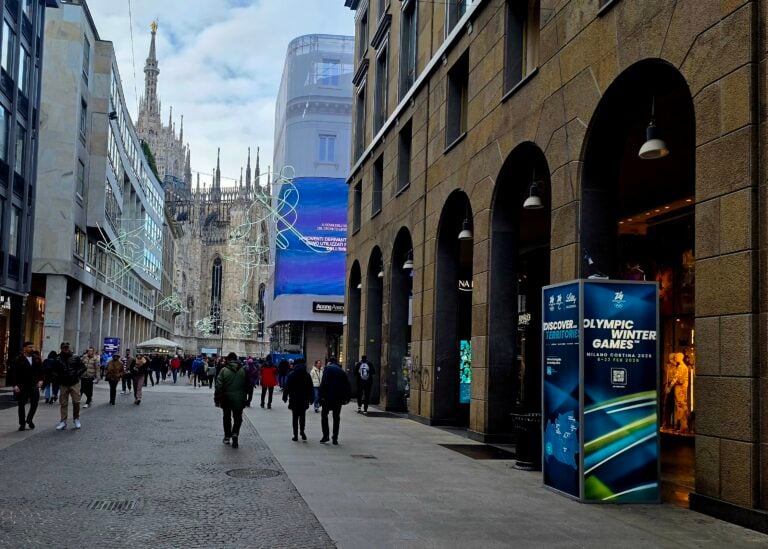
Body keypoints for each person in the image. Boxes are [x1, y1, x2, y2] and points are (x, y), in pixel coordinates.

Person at [7, 341, 43, 431]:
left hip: (33, 385)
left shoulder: (36, 358)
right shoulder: (18, 359)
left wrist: (41, 380)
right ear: (24, 348)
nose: (32, 349)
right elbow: (13, 373)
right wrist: (15, 385)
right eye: (30, 347)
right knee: (21, 405)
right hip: (22, 385)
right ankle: (22, 423)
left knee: (35, 403)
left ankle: (29, 419)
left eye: (32, 347)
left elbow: (41, 371)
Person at [214, 352, 248, 448]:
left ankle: (227, 436)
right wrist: (245, 398)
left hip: (226, 398)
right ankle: (235, 433)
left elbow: (218, 386)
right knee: (238, 418)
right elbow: (247, 385)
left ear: (228, 359)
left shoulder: (223, 370)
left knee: (227, 417)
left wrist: (217, 399)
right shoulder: (243, 370)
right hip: (239, 398)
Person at [52, 342, 86, 430]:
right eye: (64, 347)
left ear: (69, 348)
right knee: (63, 403)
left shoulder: (75, 357)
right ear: (61, 348)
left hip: (74, 383)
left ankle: (76, 418)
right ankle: (63, 421)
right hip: (63, 383)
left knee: (76, 402)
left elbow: (83, 367)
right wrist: (59, 378)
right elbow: (54, 371)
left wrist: (76, 375)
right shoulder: (58, 359)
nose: (66, 349)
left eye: (67, 347)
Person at [318, 356, 351, 445]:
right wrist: (347, 398)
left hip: (327, 398)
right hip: (338, 398)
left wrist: (321, 397)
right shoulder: (341, 371)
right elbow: (347, 385)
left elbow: (324, 383)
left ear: (329, 362)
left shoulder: (327, 369)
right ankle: (335, 438)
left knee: (324, 416)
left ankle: (326, 436)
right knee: (336, 417)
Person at [282, 359, 314, 441]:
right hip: (304, 399)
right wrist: (311, 398)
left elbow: (287, 387)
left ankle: (295, 435)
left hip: (294, 399)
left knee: (295, 417)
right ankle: (302, 430)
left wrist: (285, 397)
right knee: (302, 416)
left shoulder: (291, 375)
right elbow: (311, 387)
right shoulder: (307, 375)